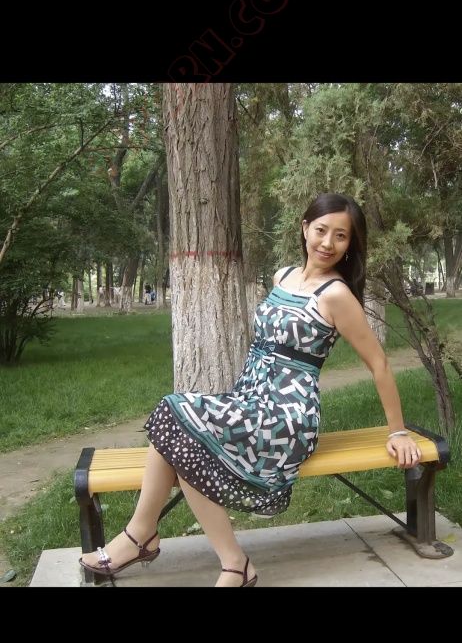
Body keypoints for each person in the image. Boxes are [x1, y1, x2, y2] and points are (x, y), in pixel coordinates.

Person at [80, 192, 422, 587]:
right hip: (249, 398)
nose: (328, 243)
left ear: (350, 244)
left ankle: (157, 541)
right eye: (321, 230)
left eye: (341, 236)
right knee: (180, 432)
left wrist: (397, 431)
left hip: (287, 416)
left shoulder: (336, 295)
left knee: (180, 418)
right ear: (305, 228)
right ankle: (207, 555)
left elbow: (379, 363)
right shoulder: (283, 276)